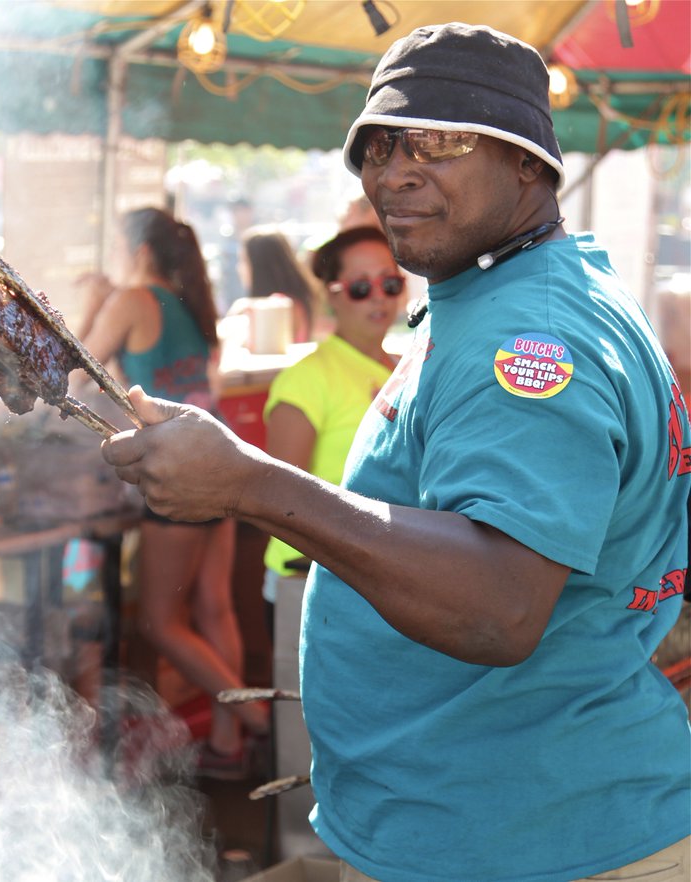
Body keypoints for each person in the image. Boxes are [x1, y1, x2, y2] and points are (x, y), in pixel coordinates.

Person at [100, 22, 690, 882]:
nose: (396, 171)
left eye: (439, 142)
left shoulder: (530, 338)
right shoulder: (508, 295)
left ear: (529, 163)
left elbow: (499, 605)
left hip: (530, 842)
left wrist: (248, 484)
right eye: (376, 147)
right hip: (491, 823)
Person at [76, 206, 269, 779]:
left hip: (176, 470)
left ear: (137, 251)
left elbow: (76, 374)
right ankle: (229, 743)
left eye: (117, 247)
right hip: (218, 457)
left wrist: (93, 306)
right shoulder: (189, 303)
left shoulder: (132, 300)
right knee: (213, 606)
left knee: (161, 621)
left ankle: (260, 718)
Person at [259, 226, 402, 857]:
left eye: (391, 283)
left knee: (378, 742)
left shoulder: (410, 369)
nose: (380, 299)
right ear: (332, 294)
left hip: (388, 579)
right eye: (362, 287)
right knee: (310, 747)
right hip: (310, 583)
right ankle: (306, 865)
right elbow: (278, 501)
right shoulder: (307, 380)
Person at [232, 225, 317, 346]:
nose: (238, 268)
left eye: (244, 260)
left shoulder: (279, 305)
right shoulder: (294, 301)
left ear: (260, 265)